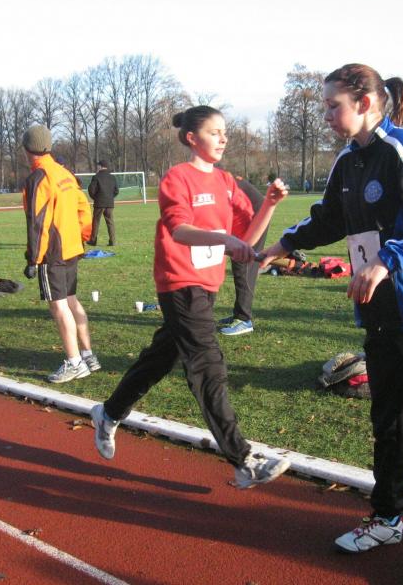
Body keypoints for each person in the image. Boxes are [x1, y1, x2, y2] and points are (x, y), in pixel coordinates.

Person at [261, 64, 403, 584]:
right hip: (382, 316)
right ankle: (386, 520)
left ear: (364, 103)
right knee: (388, 426)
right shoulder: (349, 160)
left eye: (332, 105)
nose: (325, 115)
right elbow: (331, 217)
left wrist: (388, 260)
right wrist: (284, 244)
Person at [90, 105, 291, 490]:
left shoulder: (226, 182)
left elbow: (245, 242)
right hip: (179, 282)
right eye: (215, 132)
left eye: (224, 132)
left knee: (161, 357)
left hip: (207, 285)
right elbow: (179, 231)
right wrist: (223, 238)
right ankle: (243, 460)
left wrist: (269, 204)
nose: (223, 138)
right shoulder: (177, 178)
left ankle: (109, 413)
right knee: (206, 363)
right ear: (191, 138)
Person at [21, 125, 100, 383]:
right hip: (71, 247)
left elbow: (39, 223)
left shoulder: (39, 177)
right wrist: (81, 237)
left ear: (26, 149)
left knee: (59, 305)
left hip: (53, 252)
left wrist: (34, 257)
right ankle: (87, 355)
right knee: (72, 300)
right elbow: (84, 209)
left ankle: (75, 362)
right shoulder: (64, 173)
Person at [217, 176, 267, 336]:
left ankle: (244, 319)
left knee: (243, 266)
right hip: (244, 213)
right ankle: (238, 314)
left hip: (254, 215)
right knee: (239, 264)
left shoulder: (213, 183)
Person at [87, 159, 119, 246]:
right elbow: (116, 191)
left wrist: (96, 198)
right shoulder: (112, 177)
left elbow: (91, 190)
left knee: (96, 222)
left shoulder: (96, 177)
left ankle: (93, 241)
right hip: (109, 203)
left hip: (99, 203)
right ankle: (112, 241)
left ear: (100, 166)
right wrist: (110, 197)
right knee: (110, 222)